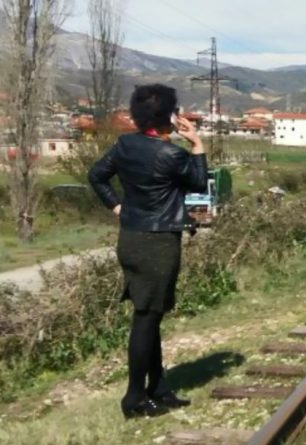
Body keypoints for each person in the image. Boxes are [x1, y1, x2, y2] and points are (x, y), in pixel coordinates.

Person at [88, 84, 207, 419]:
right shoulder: (172, 154)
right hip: (158, 243)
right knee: (146, 319)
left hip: (131, 238)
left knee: (149, 315)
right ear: (170, 114)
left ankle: (158, 388)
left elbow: (97, 176)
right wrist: (196, 143)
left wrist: (117, 207)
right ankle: (134, 397)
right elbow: (198, 183)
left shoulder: (125, 145)